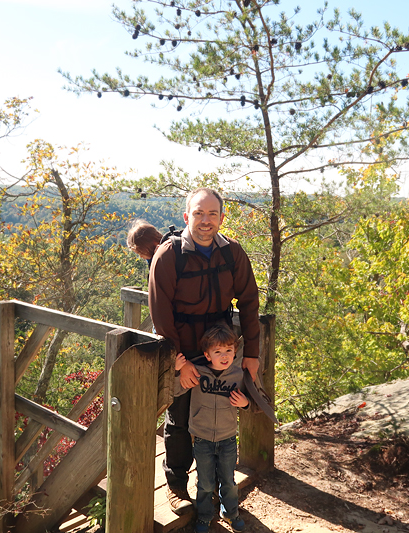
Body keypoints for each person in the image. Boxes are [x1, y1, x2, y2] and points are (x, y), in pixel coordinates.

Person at [149, 187, 260, 515]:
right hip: (184, 352)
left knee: (220, 414)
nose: (206, 220)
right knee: (181, 418)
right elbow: (160, 314)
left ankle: (212, 484)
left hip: (221, 352)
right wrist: (178, 364)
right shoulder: (170, 255)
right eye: (199, 213)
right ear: (187, 216)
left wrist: (250, 353)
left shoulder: (232, 254)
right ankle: (177, 484)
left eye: (212, 214)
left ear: (222, 218)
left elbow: (250, 300)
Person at [173, 324, 248, 533]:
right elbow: (176, 391)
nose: (224, 356)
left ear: (235, 351)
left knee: (229, 480)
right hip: (203, 439)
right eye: (218, 352)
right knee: (205, 483)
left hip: (228, 438)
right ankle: (204, 516)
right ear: (207, 355)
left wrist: (245, 403)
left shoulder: (237, 374)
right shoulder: (199, 373)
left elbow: (253, 398)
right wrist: (178, 371)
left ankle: (231, 512)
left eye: (229, 351)